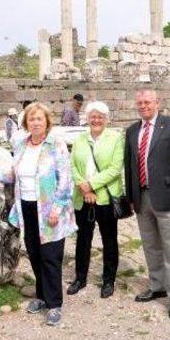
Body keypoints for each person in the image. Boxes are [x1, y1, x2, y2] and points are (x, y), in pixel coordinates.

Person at [0, 102, 76, 326]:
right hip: (27, 207)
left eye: (39, 119)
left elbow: (65, 179)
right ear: (26, 123)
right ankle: (42, 296)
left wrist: (57, 208)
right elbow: (16, 174)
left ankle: (54, 304)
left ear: (47, 122)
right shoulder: (22, 145)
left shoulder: (56, 144)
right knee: (34, 252)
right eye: (31, 119)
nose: (35, 122)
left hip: (49, 209)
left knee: (51, 256)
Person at [123, 89, 170, 319]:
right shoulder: (133, 130)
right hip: (142, 198)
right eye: (140, 102)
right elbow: (129, 166)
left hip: (169, 196)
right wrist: (131, 197)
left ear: (157, 103)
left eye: (147, 102)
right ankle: (158, 285)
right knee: (151, 247)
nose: (143, 106)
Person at [68, 101, 124, 299]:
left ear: (106, 119)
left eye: (100, 117)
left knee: (109, 240)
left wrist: (91, 185)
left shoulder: (115, 138)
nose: (96, 120)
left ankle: (108, 280)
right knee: (83, 239)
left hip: (105, 198)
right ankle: (80, 278)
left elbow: (115, 169)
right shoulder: (80, 139)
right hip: (83, 197)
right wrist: (83, 187)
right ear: (87, 118)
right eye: (93, 116)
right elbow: (72, 165)